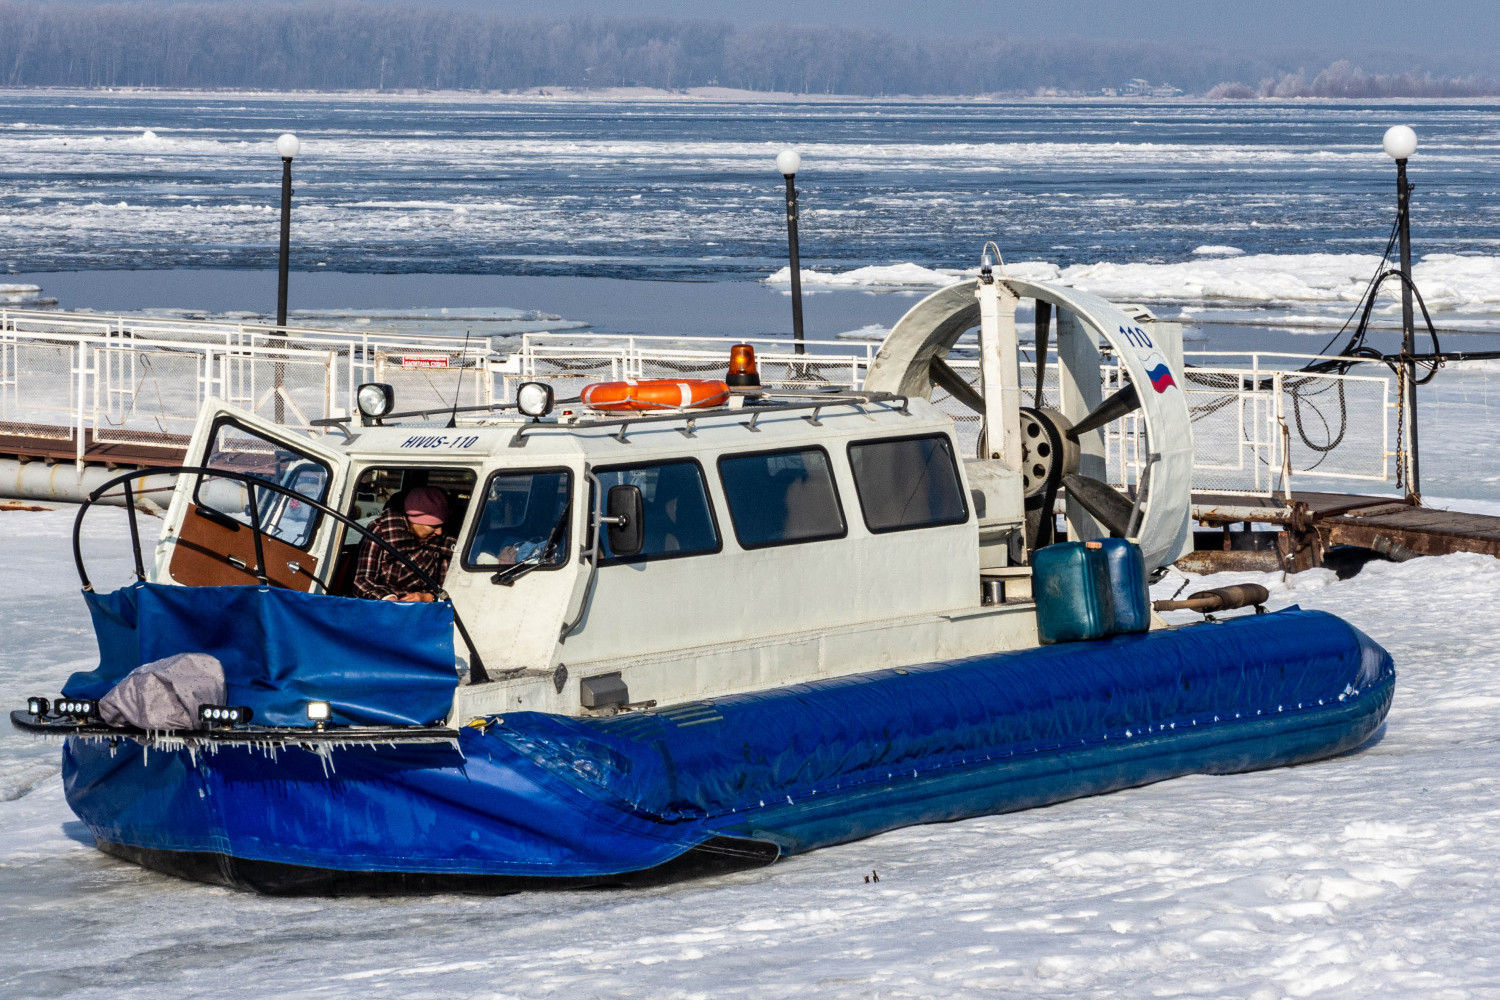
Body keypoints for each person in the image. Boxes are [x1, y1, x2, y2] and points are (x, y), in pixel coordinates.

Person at [352, 486, 455, 602]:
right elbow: (362, 580)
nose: (439, 532)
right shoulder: (381, 533)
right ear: (413, 521)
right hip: (384, 607)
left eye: (442, 526)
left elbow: (449, 584)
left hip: (425, 609)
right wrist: (388, 598)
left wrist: (428, 597)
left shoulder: (443, 542)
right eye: (434, 526)